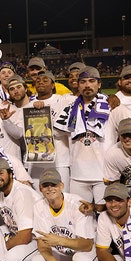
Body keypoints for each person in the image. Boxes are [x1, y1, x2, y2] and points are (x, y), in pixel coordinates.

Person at [27, 168, 104, 261]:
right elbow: (41, 242)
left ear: (61, 186)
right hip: (63, 253)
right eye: (45, 185)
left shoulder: (77, 204)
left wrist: (60, 240)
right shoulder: (39, 206)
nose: (50, 189)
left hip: (87, 251)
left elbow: (86, 245)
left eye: (54, 185)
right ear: (40, 188)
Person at [53, 65, 112, 205]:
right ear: (78, 86)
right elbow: (56, 131)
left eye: (92, 81)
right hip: (78, 175)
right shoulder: (69, 108)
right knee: (79, 217)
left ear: (99, 84)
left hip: (103, 174)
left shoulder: (111, 105)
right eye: (83, 82)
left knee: (105, 215)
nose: (87, 85)